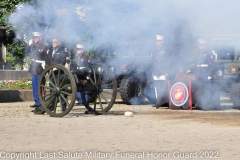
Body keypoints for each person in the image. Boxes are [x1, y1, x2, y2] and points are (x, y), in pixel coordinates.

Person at [33, 37, 68, 114]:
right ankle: (52, 106)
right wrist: (47, 70)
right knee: (52, 91)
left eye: (55, 42)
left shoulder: (62, 51)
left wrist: (57, 67)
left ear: (58, 43)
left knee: (62, 91)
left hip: (59, 73)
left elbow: (63, 61)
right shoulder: (50, 51)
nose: (53, 44)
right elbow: (47, 61)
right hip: (52, 73)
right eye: (52, 42)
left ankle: (64, 107)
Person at [151, 35, 175, 108]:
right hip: (156, 71)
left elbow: (169, 61)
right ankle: (158, 101)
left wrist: (167, 71)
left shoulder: (167, 50)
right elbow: (153, 61)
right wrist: (152, 71)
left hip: (163, 71)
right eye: (156, 41)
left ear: (162, 41)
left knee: (164, 87)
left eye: (158, 41)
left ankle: (166, 102)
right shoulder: (155, 50)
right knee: (157, 88)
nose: (157, 42)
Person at [25, 32, 48, 108]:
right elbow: (26, 53)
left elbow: (47, 58)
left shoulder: (44, 46)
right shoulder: (32, 46)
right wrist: (28, 45)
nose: (35, 39)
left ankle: (41, 101)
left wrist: (46, 68)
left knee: (41, 85)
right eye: (34, 38)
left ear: (40, 38)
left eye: (36, 38)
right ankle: (36, 102)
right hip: (33, 67)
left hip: (40, 67)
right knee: (34, 86)